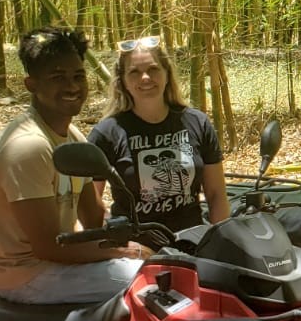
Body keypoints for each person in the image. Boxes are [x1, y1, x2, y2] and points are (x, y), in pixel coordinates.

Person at [0, 26, 141, 304]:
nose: (72, 87)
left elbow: (92, 214)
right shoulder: (28, 146)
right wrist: (122, 252)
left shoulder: (71, 136)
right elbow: (48, 247)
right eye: (58, 77)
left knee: (166, 267)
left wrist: (124, 242)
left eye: (78, 76)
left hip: (55, 265)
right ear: (32, 85)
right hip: (25, 275)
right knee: (146, 281)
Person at [87, 35, 229, 232]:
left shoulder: (198, 122)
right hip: (136, 249)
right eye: (134, 72)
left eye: (153, 69)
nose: (145, 78)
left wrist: (219, 239)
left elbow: (216, 195)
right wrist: (116, 239)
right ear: (123, 82)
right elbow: (88, 202)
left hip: (192, 240)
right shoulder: (106, 133)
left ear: (167, 73)